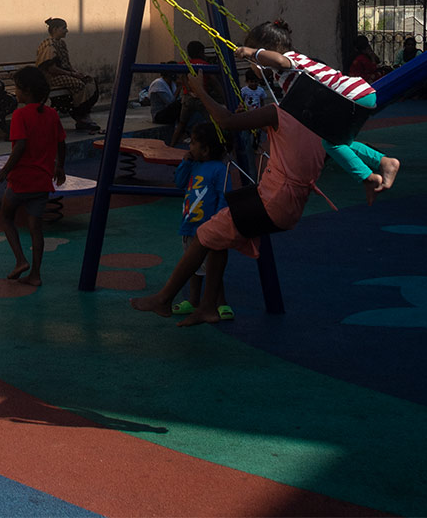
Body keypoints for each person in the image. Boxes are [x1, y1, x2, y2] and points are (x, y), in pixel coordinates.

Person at [133, 62, 327, 327]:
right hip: (289, 204)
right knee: (217, 237)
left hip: (273, 201)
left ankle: (163, 299)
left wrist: (199, 91)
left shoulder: (278, 113)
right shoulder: (316, 122)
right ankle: (208, 306)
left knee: (203, 235)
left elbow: (225, 121)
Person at [239, 22, 400, 202]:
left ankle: (367, 177)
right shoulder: (287, 71)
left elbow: (279, 60)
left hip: (351, 95)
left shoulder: (288, 60)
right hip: (360, 94)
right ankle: (384, 162)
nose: (251, 65)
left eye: (252, 61)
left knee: (331, 144)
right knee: (338, 142)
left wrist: (252, 52)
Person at [0, 65, 66, 289]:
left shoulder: (20, 114)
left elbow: (20, 146)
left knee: (6, 217)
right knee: (36, 228)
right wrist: (60, 167)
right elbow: (61, 142)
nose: (15, 92)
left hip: (21, 179)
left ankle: (20, 260)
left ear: (26, 91)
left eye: (17, 88)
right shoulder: (51, 114)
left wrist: (5, 170)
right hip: (42, 181)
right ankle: (35, 274)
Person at [171, 121, 231, 319]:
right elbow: (179, 182)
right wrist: (185, 162)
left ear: (205, 149)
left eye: (193, 143)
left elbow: (224, 195)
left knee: (212, 267)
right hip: (189, 226)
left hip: (209, 227)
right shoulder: (193, 166)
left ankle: (221, 302)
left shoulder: (219, 169)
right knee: (193, 266)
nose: (190, 146)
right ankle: (193, 300)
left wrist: (218, 221)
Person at [36, 18, 100, 131]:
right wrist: (72, 74)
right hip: (51, 78)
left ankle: (84, 113)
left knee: (89, 81)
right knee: (79, 85)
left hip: (62, 74)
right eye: (64, 28)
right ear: (55, 29)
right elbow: (52, 69)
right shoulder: (49, 45)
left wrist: (76, 73)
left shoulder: (61, 43)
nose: (67, 31)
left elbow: (66, 64)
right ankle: (80, 115)